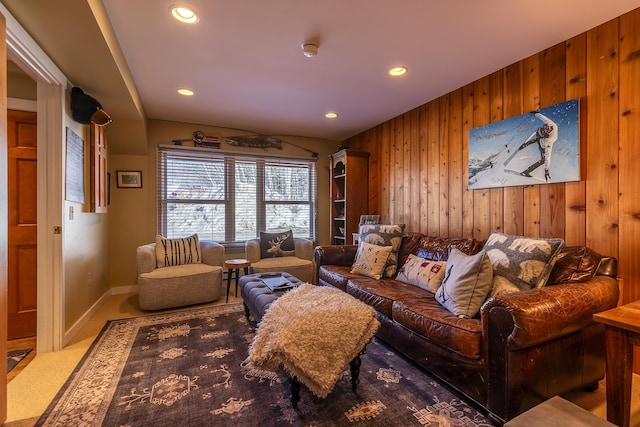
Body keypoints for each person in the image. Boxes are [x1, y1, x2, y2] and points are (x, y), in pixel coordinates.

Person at [512, 112, 558, 181]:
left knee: (543, 160)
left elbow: (548, 156)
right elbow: (544, 118)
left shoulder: (549, 141)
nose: (543, 130)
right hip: (541, 138)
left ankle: (527, 171)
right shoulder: (552, 124)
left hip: (543, 145)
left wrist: (546, 169)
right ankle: (525, 145)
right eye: (543, 128)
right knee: (537, 139)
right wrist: (536, 113)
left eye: (543, 131)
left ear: (546, 134)